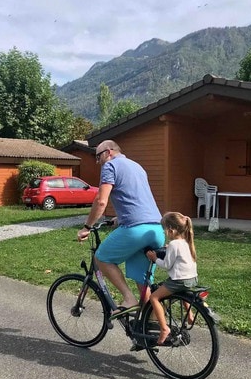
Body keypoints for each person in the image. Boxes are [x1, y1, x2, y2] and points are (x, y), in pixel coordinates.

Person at [77, 140, 165, 318]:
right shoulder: (137, 166)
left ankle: (128, 299)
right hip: (156, 228)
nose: (98, 161)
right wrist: (121, 217)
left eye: (98, 157)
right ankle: (151, 326)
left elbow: (101, 201)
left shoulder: (110, 166)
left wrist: (87, 227)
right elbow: (136, 197)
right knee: (143, 282)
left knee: (101, 257)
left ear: (108, 153)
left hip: (135, 230)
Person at [145, 212, 198, 345]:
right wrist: (169, 249)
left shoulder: (174, 244)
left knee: (154, 298)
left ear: (171, 230)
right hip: (191, 279)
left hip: (178, 281)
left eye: (164, 231)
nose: (164, 233)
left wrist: (154, 258)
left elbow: (166, 265)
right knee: (180, 292)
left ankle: (164, 328)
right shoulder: (185, 241)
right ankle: (190, 315)